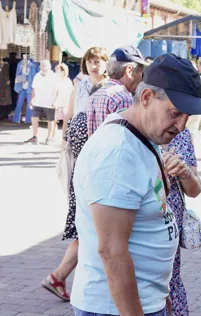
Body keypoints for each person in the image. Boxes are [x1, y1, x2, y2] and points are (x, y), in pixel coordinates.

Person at [71, 54, 201, 316]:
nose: (180, 126)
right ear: (146, 97)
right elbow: (111, 249)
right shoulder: (118, 152)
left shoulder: (142, 135)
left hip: (140, 304)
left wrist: (156, 289)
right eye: (174, 113)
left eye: (186, 117)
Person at [41, 47, 109, 301]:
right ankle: (62, 277)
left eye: (98, 61)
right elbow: (69, 117)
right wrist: (63, 148)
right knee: (90, 227)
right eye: (90, 61)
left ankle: (59, 277)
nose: (94, 65)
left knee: (90, 228)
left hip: (97, 162)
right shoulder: (79, 85)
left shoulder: (110, 88)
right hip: (82, 164)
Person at [162, 119, 201, 316]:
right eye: (176, 112)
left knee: (168, 283)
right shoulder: (132, 134)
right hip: (142, 227)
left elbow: (195, 189)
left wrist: (184, 172)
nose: (180, 121)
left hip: (171, 227)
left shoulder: (183, 135)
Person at [86, 45, 147, 136]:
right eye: (141, 72)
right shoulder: (123, 98)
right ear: (129, 70)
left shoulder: (95, 95)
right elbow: (126, 137)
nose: (141, 77)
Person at [24, 60, 59, 145]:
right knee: (34, 118)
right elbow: (34, 88)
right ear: (40, 67)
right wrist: (32, 99)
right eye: (42, 66)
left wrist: (56, 101)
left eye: (45, 66)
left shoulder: (54, 76)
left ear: (50, 67)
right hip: (38, 102)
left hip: (50, 102)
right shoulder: (37, 76)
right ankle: (35, 137)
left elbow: (58, 90)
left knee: (51, 120)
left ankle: (49, 138)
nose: (44, 68)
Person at [53, 63, 74, 129]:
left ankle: (64, 138)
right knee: (53, 121)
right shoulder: (55, 81)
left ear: (62, 72)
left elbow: (70, 94)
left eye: (57, 71)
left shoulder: (68, 82)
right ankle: (51, 137)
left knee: (66, 122)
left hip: (65, 105)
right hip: (56, 105)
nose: (55, 72)